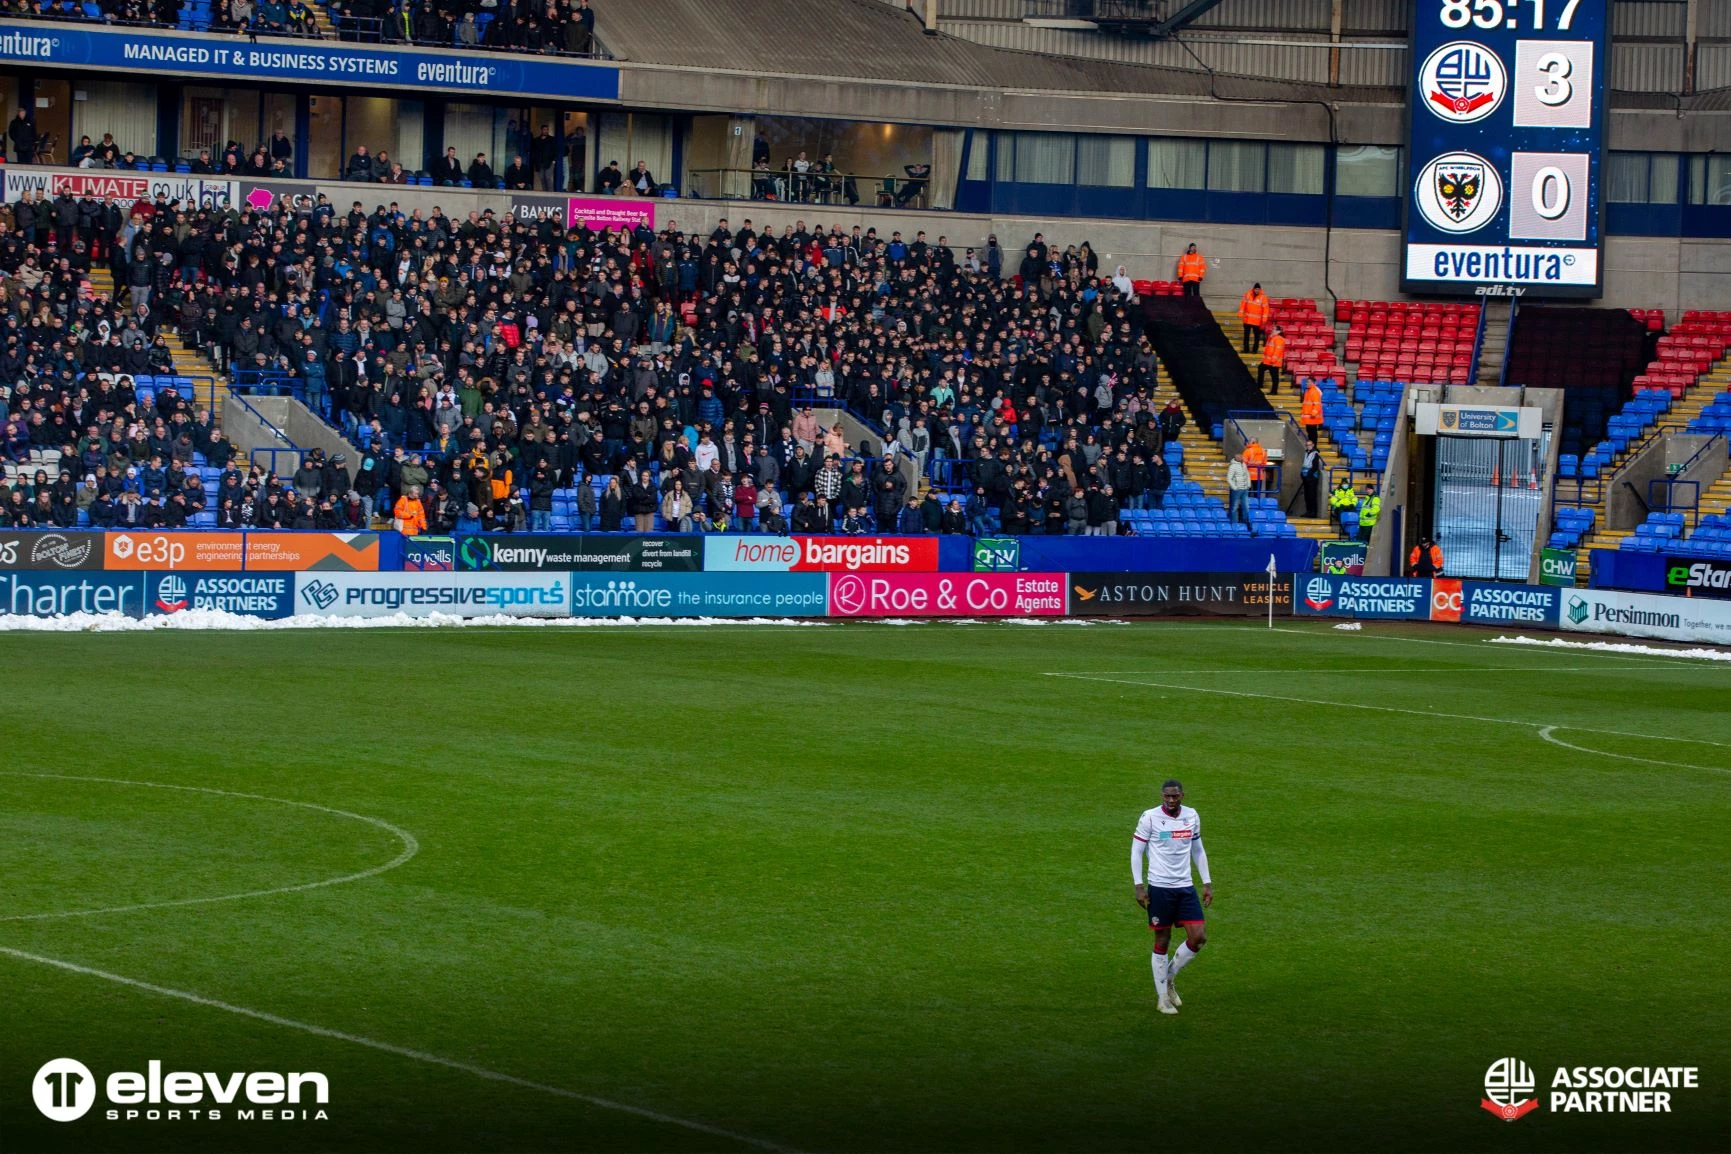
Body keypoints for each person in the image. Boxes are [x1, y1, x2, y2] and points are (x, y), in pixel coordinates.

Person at [1132, 778, 1213, 1016]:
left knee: (1198, 937)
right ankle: (1162, 999)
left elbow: (1197, 849)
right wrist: (1139, 885)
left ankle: (1168, 978)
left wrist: (1206, 882)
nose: (1170, 800)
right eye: (1167, 796)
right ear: (1161, 796)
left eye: (1175, 796)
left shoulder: (1192, 816)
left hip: (1185, 887)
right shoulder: (1150, 817)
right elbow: (1136, 850)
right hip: (1159, 887)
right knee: (1162, 940)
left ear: (1182, 796)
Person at [1237, 282, 1268, 353]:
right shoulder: (1247, 294)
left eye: (1258, 289)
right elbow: (1243, 304)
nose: (1257, 290)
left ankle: (1255, 350)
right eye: (1256, 289)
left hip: (1256, 321)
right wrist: (1240, 314)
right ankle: (1246, 350)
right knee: (1246, 336)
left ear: (1260, 290)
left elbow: (1266, 309)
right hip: (1247, 320)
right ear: (1253, 289)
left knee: (1256, 337)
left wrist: (1264, 319)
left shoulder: (1263, 297)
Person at [1257, 324, 1286, 394]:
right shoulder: (1272, 337)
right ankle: (1260, 385)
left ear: (1278, 331)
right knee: (1260, 368)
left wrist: (1273, 361)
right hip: (1268, 361)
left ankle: (1274, 391)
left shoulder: (1279, 339)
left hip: (1273, 362)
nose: (1272, 330)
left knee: (1274, 377)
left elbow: (1277, 351)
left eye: (1274, 329)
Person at [1226, 451, 1251, 533]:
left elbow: (1247, 475)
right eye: (1240, 456)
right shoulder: (1233, 466)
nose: (1241, 457)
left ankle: (1245, 524)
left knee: (1246, 507)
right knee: (1234, 507)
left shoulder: (1244, 465)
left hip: (1244, 489)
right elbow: (1229, 478)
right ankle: (1234, 524)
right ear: (1236, 457)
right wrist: (1235, 487)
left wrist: (1248, 484)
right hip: (1237, 490)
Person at [1299, 437, 1323, 519]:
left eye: (1309, 445)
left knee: (1312, 495)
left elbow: (1315, 467)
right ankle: (1308, 511)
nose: (1308, 446)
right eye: (1307, 445)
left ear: (1313, 445)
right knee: (1307, 495)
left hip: (1312, 477)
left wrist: (1309, 474)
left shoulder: (1315, 454)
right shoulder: (1306, 453)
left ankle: (1313, 512)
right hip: (1306, 476)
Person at [1299, 378, 1323, 444]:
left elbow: (1317, 404)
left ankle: (1314, 447)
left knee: (1312, 433)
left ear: (1313, 383)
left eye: (1308, 382)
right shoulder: (1309, 391)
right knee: (1310, 432)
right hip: (1309, 417)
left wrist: (1313, 414)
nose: (1307, 383)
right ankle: (1312, 446)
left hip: (1312, 417)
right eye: (1307, 382)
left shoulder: (1314, 392)